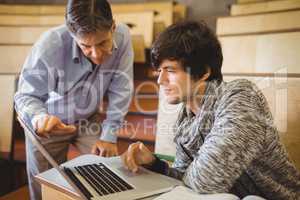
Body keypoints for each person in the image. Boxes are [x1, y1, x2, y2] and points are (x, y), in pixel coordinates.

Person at [121, 21, 300, 199]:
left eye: (170, 70)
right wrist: (155, 165)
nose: (160, 80)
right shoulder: (185, 121)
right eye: (160, 70)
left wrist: (187, 176)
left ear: (203, 72)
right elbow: (185, 180)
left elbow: (205, 182)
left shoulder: (242, 96)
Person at [14, 0, 133, 199]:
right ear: (71, 33)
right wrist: (39, 118)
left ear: (113, 26)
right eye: (86, 45)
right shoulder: (49, 44)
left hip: (89, 119)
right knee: (44, 187)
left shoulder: (123, 36)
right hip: (50, 123)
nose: (96, 55)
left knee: (107, 174)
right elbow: (26, 95)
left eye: (103, 43)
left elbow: (121, 88)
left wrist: (109, 135)